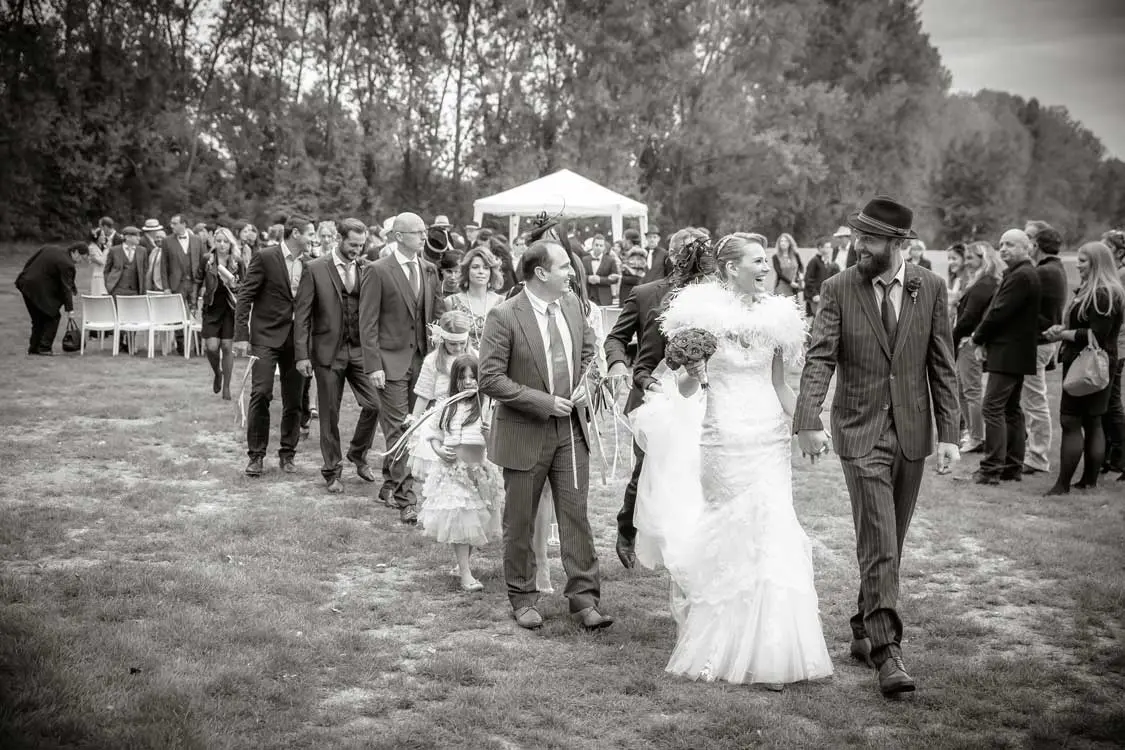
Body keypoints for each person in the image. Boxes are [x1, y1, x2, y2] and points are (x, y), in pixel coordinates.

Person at [630, 232, 831, 687]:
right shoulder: (699, 314)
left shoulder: (779, 316)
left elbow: (781, 385)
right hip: (721, 439)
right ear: (729, 268)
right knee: (731, 532)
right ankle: (721, 641)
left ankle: (773, 650)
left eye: (766, 262)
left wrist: (807, 423)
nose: (766, 268)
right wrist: (695, 373)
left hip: (768, 439)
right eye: (756, 261)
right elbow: (684, 389)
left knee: (772, 532)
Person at [795, 196, 960, 696]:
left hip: (912, 433)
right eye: (857, 237)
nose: (858, 246)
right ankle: (889, 653)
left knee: (890, 541)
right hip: (859, 431)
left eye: (868, 239)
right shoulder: (838, 288)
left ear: (898, 244)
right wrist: (808, 418)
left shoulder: (929, 288)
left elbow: (943, 363)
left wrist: (950, 433)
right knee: (881, 536)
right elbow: (821, 358)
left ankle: (863, 627)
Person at [477, 239, 611, 631]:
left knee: (576, 515)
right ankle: (522, 597)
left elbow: (589, 353)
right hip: (524, 431)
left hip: (571, 430)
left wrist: (589, 380)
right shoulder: (504, 316)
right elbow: (490, 378)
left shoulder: (572, 305)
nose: (573, 272)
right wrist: (543, 402)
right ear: (541, 273)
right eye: (565, 266)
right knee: (519, 519)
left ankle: (584, 600)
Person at [604, 227, 708, 569]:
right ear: (673, 256)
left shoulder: (714, 299)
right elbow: (616, 339)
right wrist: (619, 364)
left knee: (697, 472)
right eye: (689, 251)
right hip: (651, 392)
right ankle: (627, 528)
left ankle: (695, 541)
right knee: (647, 467)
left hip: (702, 395)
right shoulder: (646, 293)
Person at [359, 212, 444, 524]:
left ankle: (390, 484)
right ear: (398, 236)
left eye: (424, 232)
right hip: (389, 363)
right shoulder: (378, 270)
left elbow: (435, 314)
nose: (424, 237)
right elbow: (366, 322)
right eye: (418, 232)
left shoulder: (429, 269)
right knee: (400, 429)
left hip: (423, 363)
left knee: (419, 426)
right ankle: (408, 500)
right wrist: (373, 365)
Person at [293, 218, 382, 494]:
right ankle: (332, 470)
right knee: (329, 413)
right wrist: (302, 355)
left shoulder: (367, 268)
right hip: (327, 352)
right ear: (339, 239)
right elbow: (303, 315)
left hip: (358, 350)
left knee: (375, 403)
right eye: (352, 244)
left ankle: (357, 453)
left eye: (360, 245)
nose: (356, 250)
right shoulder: (315, 268)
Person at [1043, 241, 1125, 494]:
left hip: (1087, 365)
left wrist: (1062, 335)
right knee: (1093, 421)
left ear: (1097, 263)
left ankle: (1063, 484)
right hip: (1095, 363)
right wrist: (1063, 329)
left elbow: (1096, 334)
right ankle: (1087, 481)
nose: (1077, 265)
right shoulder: (1099, 291)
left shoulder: (1103, 293)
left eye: (1082, 261)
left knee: (1071, 420)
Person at [233, 216, 312, 477]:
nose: (312, 239)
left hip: (297, 341)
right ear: (296, 234)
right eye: (309, 234)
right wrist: (241, 335)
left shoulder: (310, 264)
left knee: (294, 400)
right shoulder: (266, 257)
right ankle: (256, 456)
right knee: (261, 393)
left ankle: (288, 454)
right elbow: (245, 295)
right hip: (265, 337)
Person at [418, 354, 503, 592]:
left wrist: (489, 434)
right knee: (461, 517)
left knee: (474, 521)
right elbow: (434, 435)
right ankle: (466, 574)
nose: (468, 381)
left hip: (479, 472)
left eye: (473, 376)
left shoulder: (487, 404)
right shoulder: (447, 406)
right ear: (454, 379)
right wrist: (439, 451)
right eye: (462, 377)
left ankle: (462, 564)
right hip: (453, 472)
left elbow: (495, 444)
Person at [970, 229, 1042, 485]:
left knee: (993, 407)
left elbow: (999, 311)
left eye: (1010, 244)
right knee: (1010, 409)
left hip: (1009, 351)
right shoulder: (1020, 273)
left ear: (1027, 248)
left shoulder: (1022, 275)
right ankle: (1012, 467)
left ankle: (991, 469)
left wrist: (977, 337)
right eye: (1000, 244)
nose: (1003, 248)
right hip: (1015, 351)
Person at [1022, 226, 1069, 476]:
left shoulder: (1043, 272)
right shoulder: (1055, 268)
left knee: (1035, 402)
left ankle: (1038, 456)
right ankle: (1030, 451)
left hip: (1038, 342)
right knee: (1031, 399)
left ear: (1036, 245)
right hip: (1042, 342)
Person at [407, 311, 474, 478]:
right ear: (443, 340)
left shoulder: (475, 358)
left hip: (470, 417)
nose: (458, 348)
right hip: (443, 417)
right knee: (439, 471)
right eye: (452, 344)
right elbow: (424, 394)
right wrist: (414, 420)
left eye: (461, 343)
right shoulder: (433, 361)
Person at [950, 242, 1003, 453]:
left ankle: (977, 437)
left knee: (971, 391)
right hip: (966, 341)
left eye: (972, 258)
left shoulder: (986, 282)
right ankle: (972, 432)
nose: (968, 263)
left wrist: (954, 336)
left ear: (984, 258)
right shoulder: (979, 281)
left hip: (969, 343)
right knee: (962, 389)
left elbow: (970, 317)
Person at [16, 242, 87, 355]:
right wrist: (70, 310)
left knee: (38, 319)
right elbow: (66, 288)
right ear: (76, 252)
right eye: (82, 258)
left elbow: (30, 261)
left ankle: (34, 348)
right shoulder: (67, 263)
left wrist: (25, 274)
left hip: (25, 284)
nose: (80, 262)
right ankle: (44, 348)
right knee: (53, 316)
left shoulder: (50, 248)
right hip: (38, 289)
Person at [198, 227, 244, 400]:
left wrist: (234, 285)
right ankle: (217, 372)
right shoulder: (207, 260)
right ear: (214, 243)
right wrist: (194, 300)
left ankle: (226, 387)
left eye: (225, 241)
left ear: (230, 243)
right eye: (219, 241)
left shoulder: (237, 261)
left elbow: (245, 287)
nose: (222, 245)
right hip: (211, 307)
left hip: (230, 309)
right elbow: (198, 279)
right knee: (211, 347)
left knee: (226, 346)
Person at [444, 246, 506, 351]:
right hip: (462, 363)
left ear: (491, 272)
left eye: (486, 267)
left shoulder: (502, 302)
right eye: (475, 267)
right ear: (467, 271)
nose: (481, 271)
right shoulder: (451, 302)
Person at [161, 214, 206, 353]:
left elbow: (204, 264)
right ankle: (181, 346)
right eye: (172, 223)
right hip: (177, 283)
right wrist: (166, 287)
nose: (172, 226)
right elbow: (164, 266)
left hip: (195, 283)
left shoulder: (197, 240)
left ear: (184, 224)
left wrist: (204, 285)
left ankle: (198, 346)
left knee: (197, 313)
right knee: (178, 315)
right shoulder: (167, 241)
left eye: (175, 223)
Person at [1101, 230, 1125, 479]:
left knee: (1112, 403)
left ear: (1118, 252)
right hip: (1114, 344)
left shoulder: (1120, 276)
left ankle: (1120, 456)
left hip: (1117, 345)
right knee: (1107, 404)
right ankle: (1108, 455)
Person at [104, 226, 150, 297]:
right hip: (117, 290)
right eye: (136, 236)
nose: (139, 238)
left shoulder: (142, 251)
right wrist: (109, 286)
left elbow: (145, 270)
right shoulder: (114, 251)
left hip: (136, 291)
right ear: (127, 237)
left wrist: (143, 290)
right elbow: (107, 270)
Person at [803, 236, 839, 317]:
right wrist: (814, 294)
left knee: (821, 319)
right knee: (818, 318)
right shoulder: (814, 261)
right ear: (820, 248)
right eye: (827, 247)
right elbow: (808, 279)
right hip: (815, 296)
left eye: (830, 247)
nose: (829, 249)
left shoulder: (828, 262)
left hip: (824, 296)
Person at [585, 233, 621, 306]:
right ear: (592, 245)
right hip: (588, 297)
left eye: (601, 245)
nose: (598, 247)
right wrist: (588, 278)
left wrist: (600, 280)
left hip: (604, 298)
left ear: (604, 247)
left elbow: (615, 279)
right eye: (596, 245)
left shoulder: (610, 260)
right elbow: (579, 276)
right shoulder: (585, 259)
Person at [771, 233, 804, 298]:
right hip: (781, 287)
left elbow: (800, 266)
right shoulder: (775, 257)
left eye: (785, 241)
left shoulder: (795, 255)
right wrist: (790, 283)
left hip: (794, 287)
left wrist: (801, 275)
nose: (783, 243)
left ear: (790, 243)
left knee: (794, 307)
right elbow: (779, 273)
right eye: (781, 241)